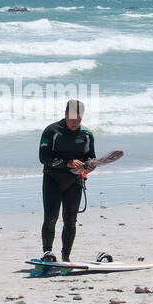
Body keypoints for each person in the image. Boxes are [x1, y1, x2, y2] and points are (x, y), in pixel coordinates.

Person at [38, 99, 95, 262]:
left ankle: (66, 256)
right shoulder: (51, 131)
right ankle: (47, 253)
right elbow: (44, 158)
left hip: (74, 181)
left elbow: (90, 157)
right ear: (65, 115)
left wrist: (90, 166)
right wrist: (67, 163)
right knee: (51, 217)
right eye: (72, 120)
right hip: (53, 179)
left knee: (70, 220)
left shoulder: (87, 134)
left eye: (79, 120)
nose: (75, 123)